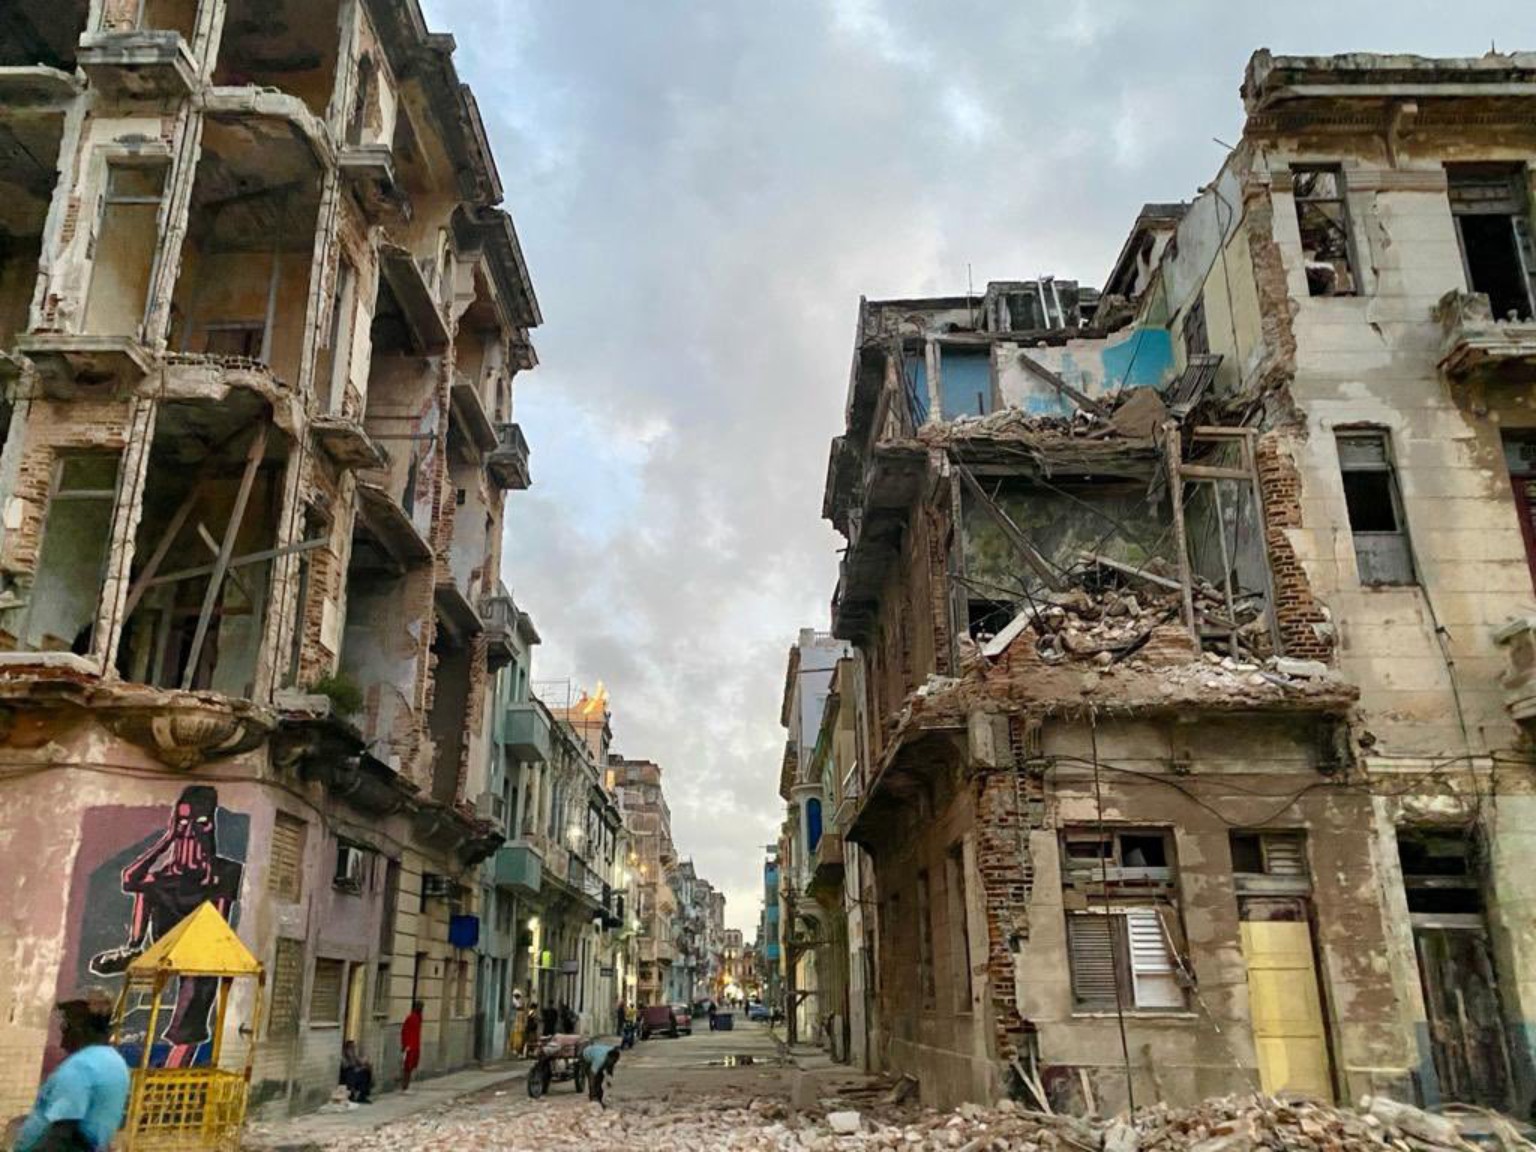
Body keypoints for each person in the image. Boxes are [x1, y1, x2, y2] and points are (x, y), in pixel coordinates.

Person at [14, 988, 130, 1152]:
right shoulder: (115, 1061)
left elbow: (62, 1132)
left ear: (81, 1027)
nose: (62, 1031)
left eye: (67, 1024)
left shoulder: (80, 1067)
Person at [582, 1042, 621, 1108]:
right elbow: (592, 1076)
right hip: (586, 1056)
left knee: (600, 1078)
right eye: (613, 1061)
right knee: (596, 1079)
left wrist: (609, 1079)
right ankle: (593, 1099)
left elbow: (610, 1067)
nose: (614, 1063)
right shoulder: (600, 1059)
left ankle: (599, 1100)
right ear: (608, 1058)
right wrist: (592, 1090)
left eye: (615, 1061)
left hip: (597, 1051)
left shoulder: (613, 1053)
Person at [338, 1040, 373, 1104]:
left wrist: (364, 1062)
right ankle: (351, 1096)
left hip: (355, 1073)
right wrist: (353, 1062)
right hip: (347, 1074)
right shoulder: (343, 1055)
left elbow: (360, 1062)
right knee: (352, 1074)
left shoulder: (354, 1054)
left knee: (365, 1073)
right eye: (351, 1047)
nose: (353, 1049)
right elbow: (345, 1065)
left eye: (354, 1047)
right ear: (347, 1048)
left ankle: (362, 1096)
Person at [399, 1001, 423, 1092]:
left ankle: (407, 1085)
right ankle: (404, 1086)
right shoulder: (411, 1018)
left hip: (415, 1045)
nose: (421, 1009)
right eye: (419, 1007)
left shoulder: (418, 1018)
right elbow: (405, 1031)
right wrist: (405, 1045)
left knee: (411, 1066)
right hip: (410, 1046)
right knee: (407, 1066)